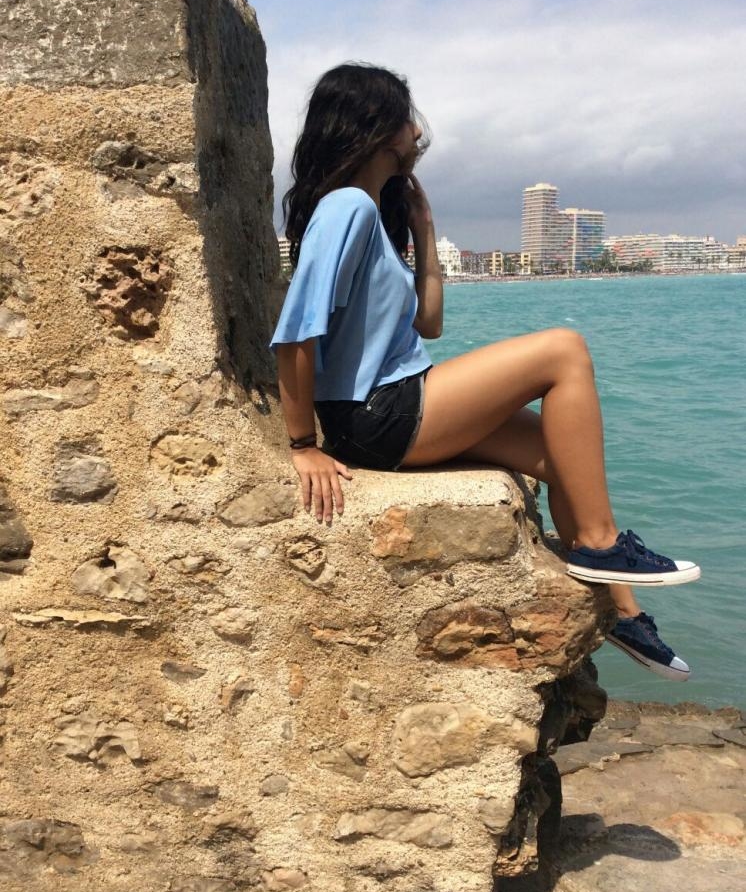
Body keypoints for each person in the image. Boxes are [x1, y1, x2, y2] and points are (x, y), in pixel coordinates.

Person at [269, 63, 701, 682]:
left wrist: (424, 232)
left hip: (394, 406)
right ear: (377, 127)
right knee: (564, 350)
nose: (419, 131)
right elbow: (295, 333)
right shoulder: (346, 207)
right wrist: (302, 446)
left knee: (565, 455)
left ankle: (623, 614)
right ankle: (603, 545)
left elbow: (429, 324)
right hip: (377, 414)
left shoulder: (370, 214)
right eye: (407, 118)